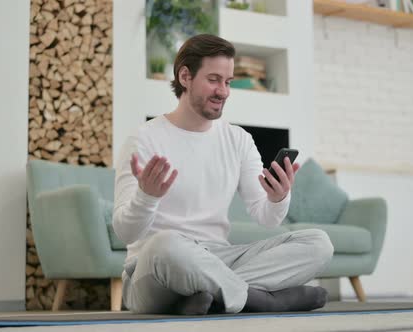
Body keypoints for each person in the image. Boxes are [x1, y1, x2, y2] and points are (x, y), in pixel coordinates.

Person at [113, 34, 334, 315]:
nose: (224, 91)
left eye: (228, 82)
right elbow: (124, 232)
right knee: (165, 244)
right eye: (214, 79)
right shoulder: (143, 140)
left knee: (318, 243)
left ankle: (211, 297)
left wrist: (278, 198)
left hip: (217, 258)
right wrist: (146, 198)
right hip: (155, 269)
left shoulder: (238, 140)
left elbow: (267, 218)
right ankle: (264, 300)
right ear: (185, 76)